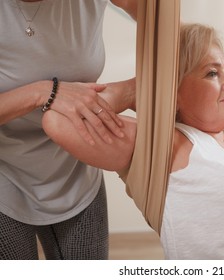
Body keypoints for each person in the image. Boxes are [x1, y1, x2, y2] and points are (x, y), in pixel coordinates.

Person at [42, 23, 224, 260]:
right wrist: (142, 88)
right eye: (212, 73)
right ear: (174, 91)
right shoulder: (171, 145)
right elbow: (58, 121)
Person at [0, 0, 138, 260]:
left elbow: (165, 25)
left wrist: (130, 90)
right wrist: (43, 92)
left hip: (76, 165)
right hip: (4, 168)